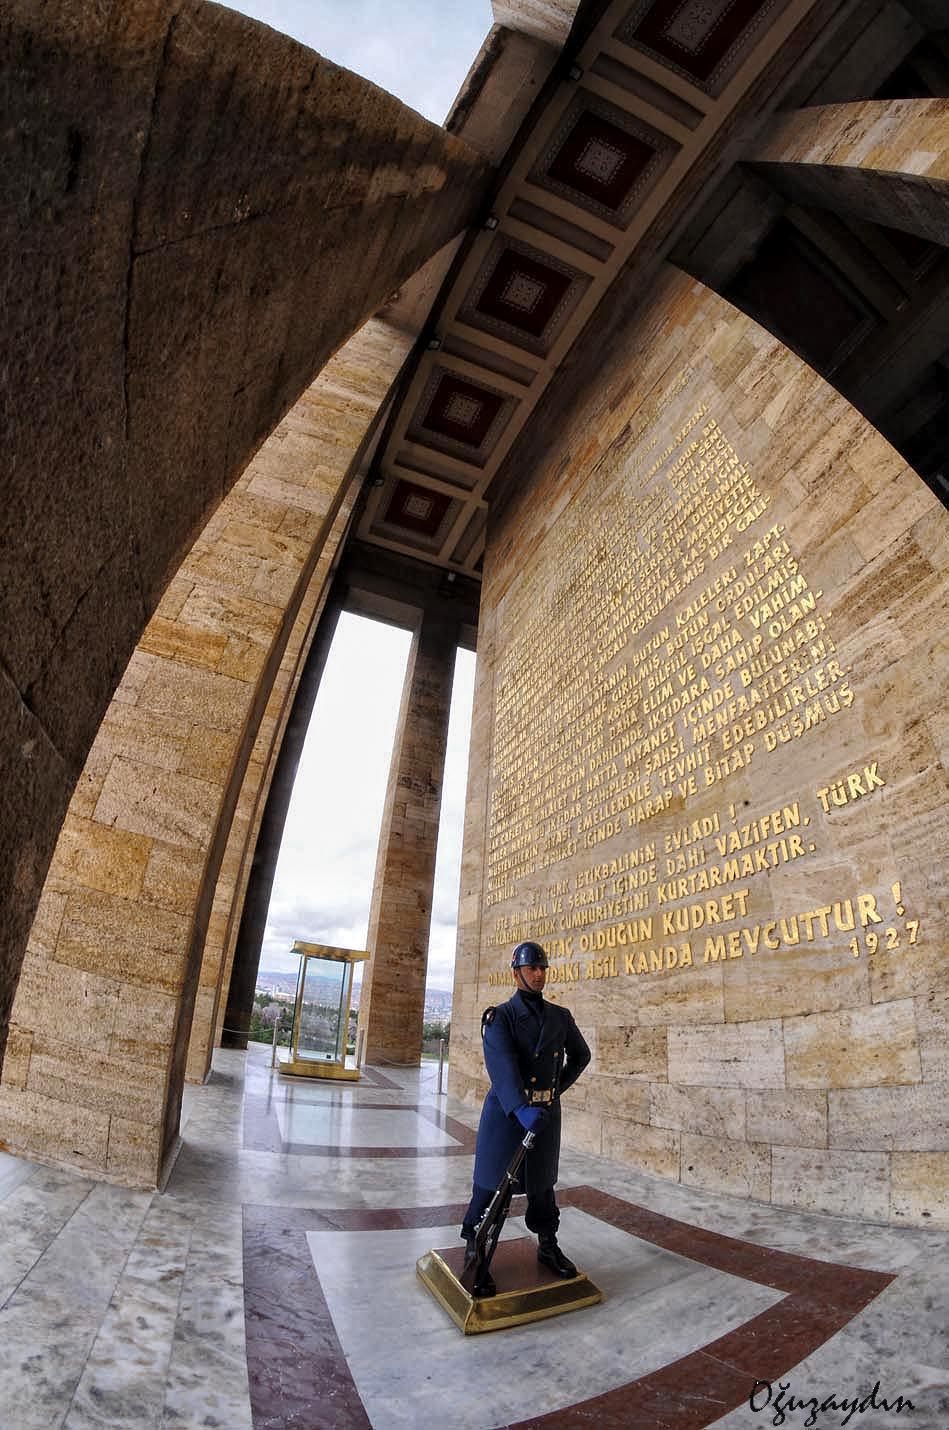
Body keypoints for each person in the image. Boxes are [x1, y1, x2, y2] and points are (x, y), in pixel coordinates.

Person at [461, 940, 591, 1295]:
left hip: (543, 1116)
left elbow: (581, 1056)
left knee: (542, 1185)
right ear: (516, 972)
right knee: (490, 1184)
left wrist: (552, 1093)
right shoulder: (500, 1017)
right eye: (532, 967)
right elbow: (501, 1068)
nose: (539, 974)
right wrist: (520, 1107)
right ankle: (475, 1241)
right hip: (507, 1115)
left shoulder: (560, 1017)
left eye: (542, 968)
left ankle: (548, 1245)